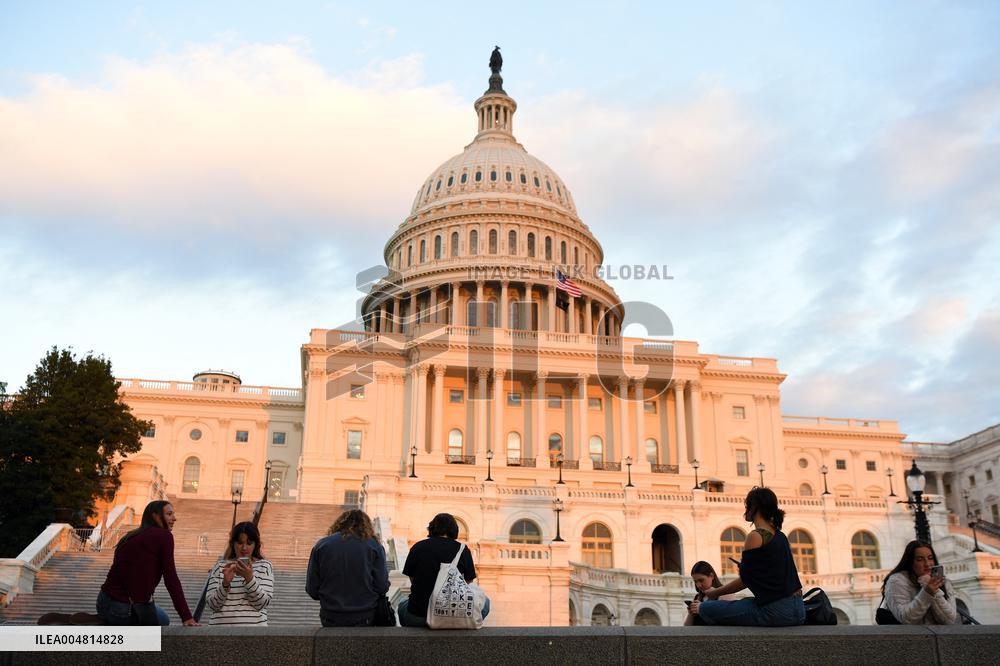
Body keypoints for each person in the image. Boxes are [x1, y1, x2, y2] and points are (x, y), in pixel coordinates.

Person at [697, 487, 805, 626]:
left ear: (755, 507)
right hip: (798, 609)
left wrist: (714, 593)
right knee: (743, 604)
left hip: (777, 611)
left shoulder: (756, 536)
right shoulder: (780, 536)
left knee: (705, 608)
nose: (745, 510)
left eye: (747, 505)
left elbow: (745, 581)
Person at [96, 500, 199, 626]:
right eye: (169, 514)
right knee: (158, 628)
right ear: (155, 516)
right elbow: (171, 578)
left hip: (103, 601)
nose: (174, 518)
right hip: (124, 608)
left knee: (163, 618)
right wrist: (186, 616)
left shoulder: (130, 536)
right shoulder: (164, 536)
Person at [398, 513, 489, 627]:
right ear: (454, 530)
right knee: (486, 603)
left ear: (431, 528)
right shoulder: (463, 550)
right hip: (452, 614)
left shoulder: (418, 547)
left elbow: (412, 578)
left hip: (418, 617)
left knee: (402, 603)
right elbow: (468, 583)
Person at [306, 509, 389, 627]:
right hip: (365, 615)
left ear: (339, 524)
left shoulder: (322, 545)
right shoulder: (374, 546)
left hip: (331, 615)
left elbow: (312, 588)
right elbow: (382, 586)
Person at [205, 521, 274, 625]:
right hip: (219, 632)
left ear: (256, 545)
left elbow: (261, 603)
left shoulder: (265, 566)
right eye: (240, 543)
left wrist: (249, 579)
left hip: (253, 632)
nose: (244, 548)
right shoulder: (220, 566)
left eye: (249, 543)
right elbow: (212, 605)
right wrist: (225, 584)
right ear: (233, 543)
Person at [879, 540, 957, 624]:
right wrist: (927, 592)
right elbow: (906, 618)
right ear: (910, 562)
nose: (927, 564)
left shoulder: (943, 582)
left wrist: (935, 590)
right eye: (920, 559)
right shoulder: (896, 581)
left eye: (930, 558)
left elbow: (950, 620)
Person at [684, 561, 732, 626]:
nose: (698, 585)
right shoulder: (698, 597)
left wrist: (703, 608)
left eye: (701, 580)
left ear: (712, 576)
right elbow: (686, 629)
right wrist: (691, 615)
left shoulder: (725, 594)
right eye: (695, 581)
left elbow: (728, 621)